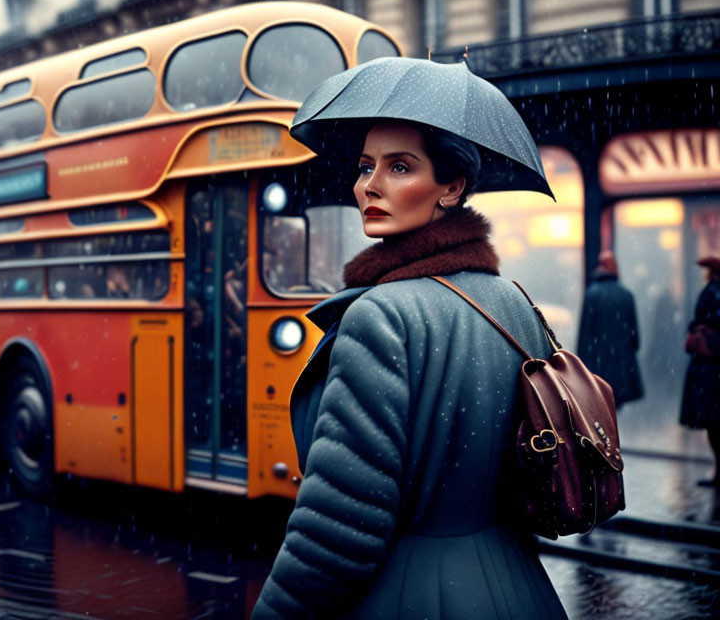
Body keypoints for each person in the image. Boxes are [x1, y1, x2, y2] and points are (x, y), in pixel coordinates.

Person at [253, 121, 566, 618]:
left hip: (410, 595)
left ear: (453, 188)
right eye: (364, 167)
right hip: (519, 585)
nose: (368, 185)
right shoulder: (513, 302)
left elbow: (336, 528)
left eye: (399, 166)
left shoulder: (378, 316)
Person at [576, 250, 644, 409]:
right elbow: (635, 338)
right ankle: (615, 432)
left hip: (599, 364)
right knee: (615, 405)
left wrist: (581, 364)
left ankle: (605, 433)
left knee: (601, 406)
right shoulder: (626, 295)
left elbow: (585, 335)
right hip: (621, 363)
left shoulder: (592, 295)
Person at [680, 256, 720, 486]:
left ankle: (718, 473)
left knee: (714, 423)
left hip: (710, 368)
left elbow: (704, 319)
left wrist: (697, 327)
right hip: (713, 368)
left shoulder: (712, 291)